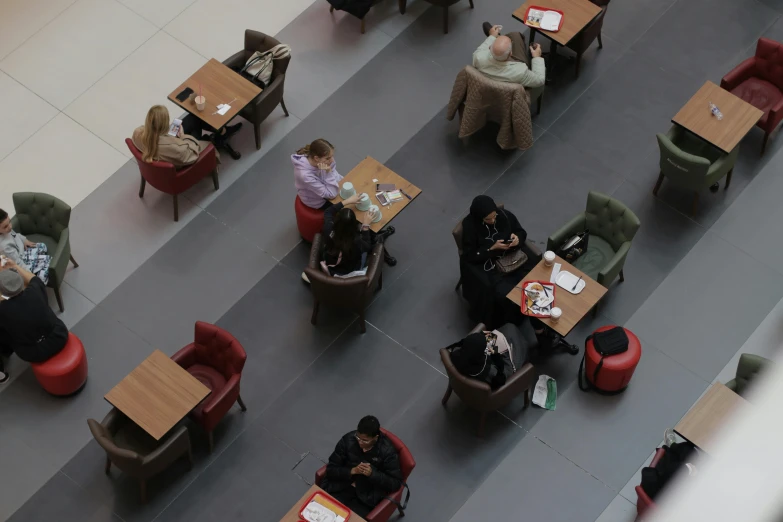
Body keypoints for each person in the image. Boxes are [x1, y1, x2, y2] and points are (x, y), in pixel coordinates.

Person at [459, 195, 539, 328]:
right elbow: (469, 255)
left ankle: (531, 310)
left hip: (512, 259)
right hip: (491, 266)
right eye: (488, 219)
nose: (493, 221)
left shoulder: (504, 216)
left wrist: (517, 238)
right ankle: (515, 316)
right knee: (505, 292)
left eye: (494, 216)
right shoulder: (470, 227)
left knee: (531, 279)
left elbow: (520, 231)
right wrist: (491, 248)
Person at [0, 258, 69, 382]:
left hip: (34, 353)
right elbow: (33, 278)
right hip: (59, 335)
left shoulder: (3, 310)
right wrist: (14, 265)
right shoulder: (35, 290)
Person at [321, 415, 402, 517]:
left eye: (365, 440)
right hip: (340, 486)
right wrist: (351, 471)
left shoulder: (387, 452)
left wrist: (373, 474)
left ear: (375, 438)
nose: (360, 442)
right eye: (358, 437)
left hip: (365, 498)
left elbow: (395, 483)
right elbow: (331, 469)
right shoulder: (347, 440)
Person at [131, 105, 240, 168]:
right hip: (184, 152)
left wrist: (171, 135)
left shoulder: (137, 134)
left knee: (192, 118)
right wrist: (183, 136)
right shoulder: (176, 149)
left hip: (167, 148)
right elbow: (192, 155)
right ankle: (220, 134)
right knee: (196, 127)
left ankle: (221, 131)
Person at [447, 323, 534, 389]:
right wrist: (496, 355)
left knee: (508, 330)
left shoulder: (456, 354)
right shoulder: (488, 371)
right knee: (512, 334)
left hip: (483, 362)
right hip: (503, 371)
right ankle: (524, 351)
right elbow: (501, 379)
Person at [472, 23, 545, 88]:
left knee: (514, 36)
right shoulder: (520, 72)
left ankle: (498, 38)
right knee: (516, 35)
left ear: (490, 47)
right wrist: (537, 57)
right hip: (512, 93)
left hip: (487, 86)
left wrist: (492, 36)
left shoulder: (478, 57)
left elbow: (481, 49)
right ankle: (500, 38)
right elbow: (540, 80)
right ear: (511, 53)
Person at [0, 209, 50, 284]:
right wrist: (30, 276)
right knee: (47, 262)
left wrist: (24, 240)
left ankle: (38, 264)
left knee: (43, 246)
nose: (10, 226)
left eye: (10, 222)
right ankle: (40, 282)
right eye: (5, 226)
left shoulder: (7, 230)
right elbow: (18, 264)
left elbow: (16, 235)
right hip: (22, 260)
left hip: (23, 250)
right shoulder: (4, 247)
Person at [292, 139, 343, 210]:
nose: (332, 160)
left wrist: (331, 174)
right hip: (317, 200)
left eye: (332, 156)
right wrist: (328, 173)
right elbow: (331, 194)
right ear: (316, 158)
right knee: (345, 207)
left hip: (328, 185)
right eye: (328, 158)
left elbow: (334, 172)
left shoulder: (326, 161)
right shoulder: (305, 175)